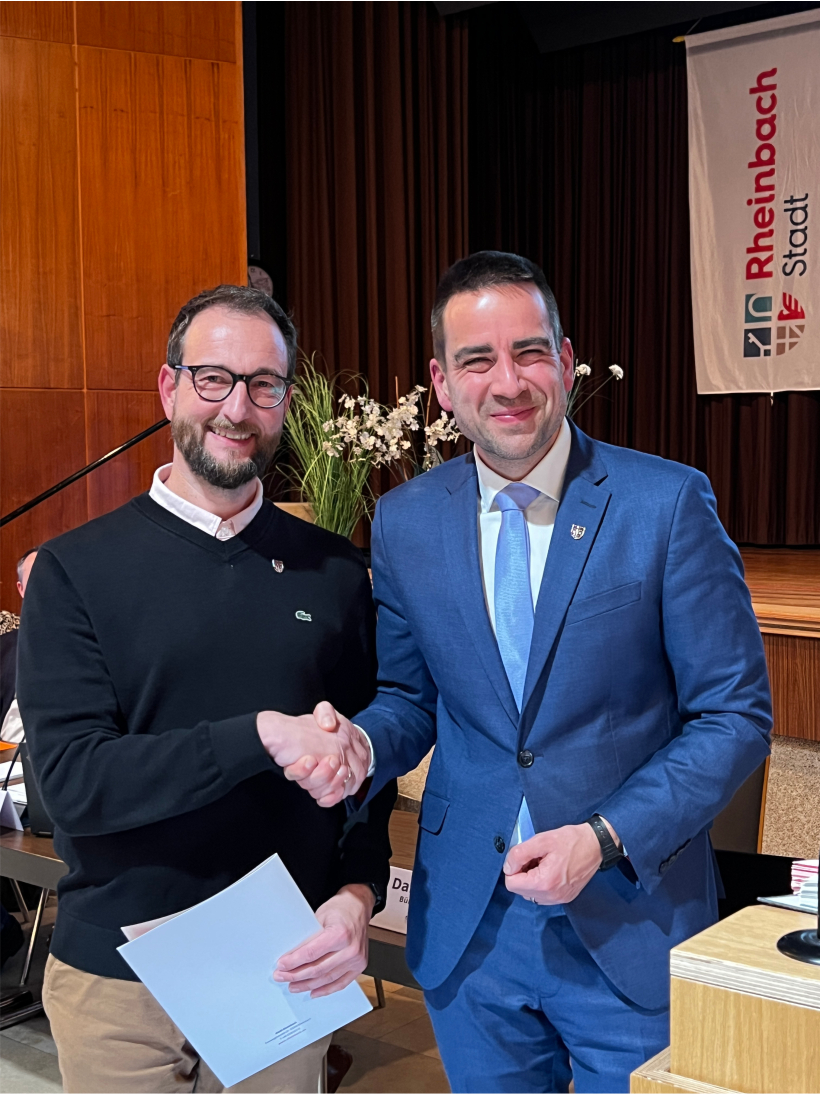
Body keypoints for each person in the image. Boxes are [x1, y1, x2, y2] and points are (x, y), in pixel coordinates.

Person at [279, 252, 773, 1093]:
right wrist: (360, 744)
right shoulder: (404, 521)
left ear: (567, 361)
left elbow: (735, 716)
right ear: (442, 384)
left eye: (530, 352)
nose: (508, 382)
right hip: (471, 932)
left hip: (631, 916)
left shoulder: (665, 504)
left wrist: (604, 836)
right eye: (477, 360)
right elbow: (409, 700)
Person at [17, 285, 396, 1094]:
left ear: (285, 401)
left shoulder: (336, 573)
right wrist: (260, 734)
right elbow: (76, 785)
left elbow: (366, 763)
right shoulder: (74, 572)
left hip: (284, 964)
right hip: (118, 977)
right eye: (213, 379)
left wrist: (358, 894)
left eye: (263, 385)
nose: (237, 408)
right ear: (170, 388)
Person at [0, 547, 38, 744]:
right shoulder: (5, 647)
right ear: (20, 588)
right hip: (9, 753)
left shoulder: (94, 643)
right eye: (35, 580)